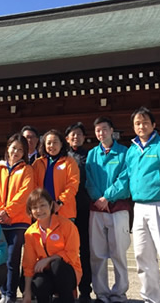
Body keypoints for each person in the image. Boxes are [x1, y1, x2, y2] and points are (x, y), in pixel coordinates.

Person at [109, 106, 160, 303]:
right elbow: (126, 177)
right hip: (139, 208)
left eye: (145, 122)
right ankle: (151, 298)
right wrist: (108, 195)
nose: (141, 126)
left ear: (154, 125)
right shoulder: (132, 151)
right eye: (137, 123)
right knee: (142, 255)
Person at [85, 116, 132, 303]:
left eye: (104, 129)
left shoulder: (123, 153)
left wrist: (108, 196)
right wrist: (98, 198)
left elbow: (125, 178)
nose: (101, 133)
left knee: (119, 253)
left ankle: (119, 293)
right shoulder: (91, 154)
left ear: (112, 130)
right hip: (96, 209)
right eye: (97, 130)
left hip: (118, 208)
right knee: (97, 254)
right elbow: (88, 180)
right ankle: (101, 293)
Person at [0, 133, 35, 303]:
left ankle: (11, 294)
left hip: (19, 221)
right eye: (14, 148)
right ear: (8, 148)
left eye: (20, 150)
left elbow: (25, 193)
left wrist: (9, 212)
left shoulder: (27, 170)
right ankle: (2, 291)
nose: (16, 152)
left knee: (13, 258)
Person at [21, 188, 82, 303]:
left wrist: (48, 260)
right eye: (34, 207)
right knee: (39, 282)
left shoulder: (67, 225)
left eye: (43, 205)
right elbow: (28, 264)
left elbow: (72, 254)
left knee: (57, 265)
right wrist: (27, 292)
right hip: (46, 273)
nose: (39, 210)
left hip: (68, 272)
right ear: (30, 211)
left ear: (50, 205)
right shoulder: (30, 233)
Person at [65, 122, 93, 303]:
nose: (76, 137)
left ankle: (85, 290)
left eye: (79, 134)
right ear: (66, 138)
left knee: (84, 250)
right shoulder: (62, 157)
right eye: (72, 135)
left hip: (83, 208)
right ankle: (64, 288)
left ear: (84, 137)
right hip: (65, 210)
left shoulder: (90, 156)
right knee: (64, 250)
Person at [31, 129, 80, 220]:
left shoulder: (69, 162)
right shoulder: (38, 163)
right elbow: (33, 185)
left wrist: (59, 202)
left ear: (61, 144)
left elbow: (73, 185)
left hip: (64, 210)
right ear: (44, 145)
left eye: (55, 142)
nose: (52, 146)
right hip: (42, 210)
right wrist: (41, 203)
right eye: (49, 143)